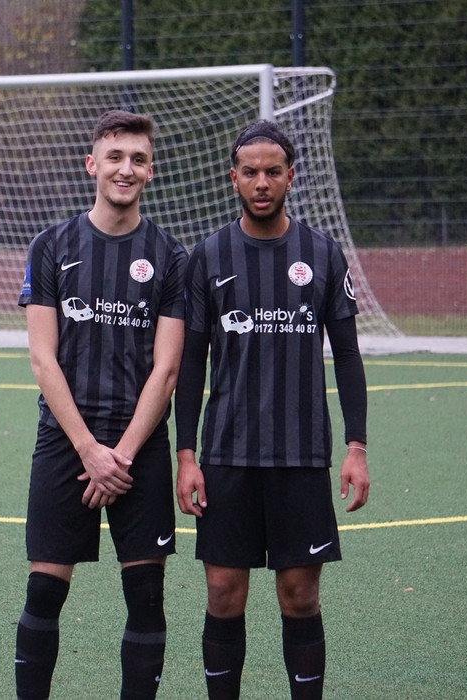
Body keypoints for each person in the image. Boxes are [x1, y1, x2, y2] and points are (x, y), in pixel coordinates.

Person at [174, 120, 370, 700]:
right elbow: (190, 363)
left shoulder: (322, 253)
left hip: (300, 455)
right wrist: (186, 456)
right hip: (227, 456)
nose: (262, 182)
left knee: (300, 598)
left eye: (273, 171)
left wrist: (356, 447)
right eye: (250, 172)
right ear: (233, 178)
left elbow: (348, 355)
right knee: (223, 595)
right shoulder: (208, 256)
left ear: (291, 176)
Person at [14, 110, 188, 700]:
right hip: (66, 442)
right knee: (44, 591)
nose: (125, 169)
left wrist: (122, 455)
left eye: (138, 159)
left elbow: (167, 370)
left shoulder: (171, 256)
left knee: (146, 597)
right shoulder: (51, 246)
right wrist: (89, 450)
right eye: (115, 157)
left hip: (140, 447)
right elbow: (43, 360)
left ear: (151, 171)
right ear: (92, 164)